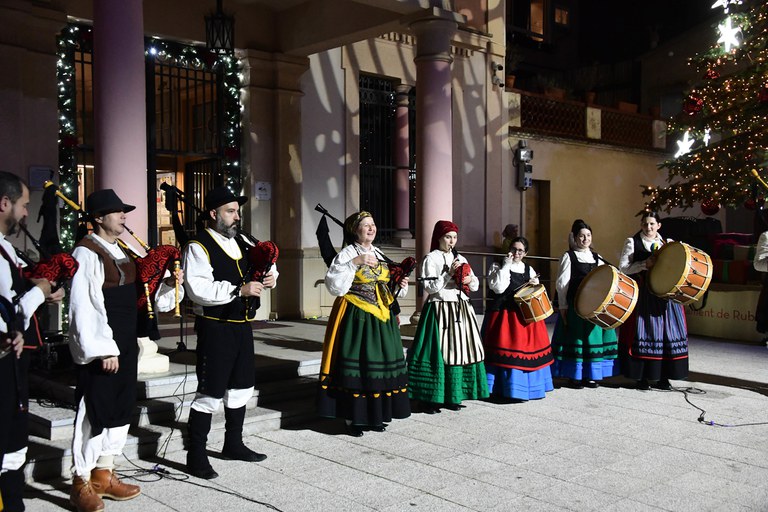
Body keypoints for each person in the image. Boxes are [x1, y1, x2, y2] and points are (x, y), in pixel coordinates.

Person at [68, 189, 182, 512]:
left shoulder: (124, 252)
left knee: (120, 408)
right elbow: (84, 306)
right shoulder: (87, 252)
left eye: (123, 212)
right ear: (99, 218)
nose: (123, 217)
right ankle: (81, 481)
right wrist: (102, 349)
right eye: (117, 212)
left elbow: (143, 296)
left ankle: (104, 473)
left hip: (126, 342)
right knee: (95, 410)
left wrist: (169, 284)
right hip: (103, 347)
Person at [183, 186, 277, 479]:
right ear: (213, 214)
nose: (237, 216)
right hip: (215, 327)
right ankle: (196, 455)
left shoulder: (243, 241)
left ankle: (233, 444)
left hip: (241, 326)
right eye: (230, 211)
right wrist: (239, 290)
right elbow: (197, 289)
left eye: (238, 211)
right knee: (210, 391)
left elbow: (266, 264)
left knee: (241, 387)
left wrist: (270, 276)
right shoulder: (199, 245)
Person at [0, 172, 62, 512]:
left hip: (14, 359)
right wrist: (38, 293)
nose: (27, 214)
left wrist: (44, 290)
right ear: (4, 203)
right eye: (24, 206)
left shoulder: (7, 248)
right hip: (4, 357)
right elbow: (8, 311)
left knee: (14, 442)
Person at [318, 211, 410, 436]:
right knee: (359, 366)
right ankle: (354, 419)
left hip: (382, 318)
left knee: (379, 367)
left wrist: (399, 282)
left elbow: (386, 284)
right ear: (354, 230)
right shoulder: (348, 253)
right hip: (357, 316)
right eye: (366, 225)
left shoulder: (379, 252)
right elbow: (335, 286)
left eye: (373, 224)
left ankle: (376, 417)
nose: (371, 228)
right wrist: (354, 262)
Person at [408, 220, 488, 413]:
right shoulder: (431, 258)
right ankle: (432, 399)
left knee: (460, 351)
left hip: (460, 308)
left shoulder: (460, 257)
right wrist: (448, 274)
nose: (451, 241)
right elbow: (430, 287)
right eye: (448, 237)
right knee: (441, 351)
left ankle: (454, 395)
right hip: (440, 309)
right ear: (439, 238)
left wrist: (469, 279)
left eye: (454, 237)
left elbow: (475, 284)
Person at [618, 211, 688, 390]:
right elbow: (623, 268)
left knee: (666, 335)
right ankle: (642, 377)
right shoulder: (632, 242)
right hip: (645, 294)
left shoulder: (669, 243)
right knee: (645, 333)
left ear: (659, 225)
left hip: (666, 297)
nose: (648, 227)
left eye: (651, 224)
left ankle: (664, 377)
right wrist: (643, 265)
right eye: (644, 224)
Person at [482, 236, 554, 401]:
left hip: (524, 317)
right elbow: (498, 288)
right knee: (503, 349)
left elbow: (534, 292)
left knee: (528, 352)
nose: (516, 253)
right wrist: (506, 266)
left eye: (520, 250)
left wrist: (534, 284)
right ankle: (500, 388)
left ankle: (526, 389)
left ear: (525, 253)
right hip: (503, 315)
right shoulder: (497, 266)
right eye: (514, 249)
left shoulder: (529, 269)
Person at [551, 219, 619, 388]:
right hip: (576, 306)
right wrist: (564, 307)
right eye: (581, 236)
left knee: (592, 340)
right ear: (575, 238)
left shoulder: (598, 258)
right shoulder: (569, 256)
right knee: (577, 340)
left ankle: (590, 375)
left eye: (588, 235)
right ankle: (575, 376)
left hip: (594, 307)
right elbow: (562, 284)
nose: (585, 239)